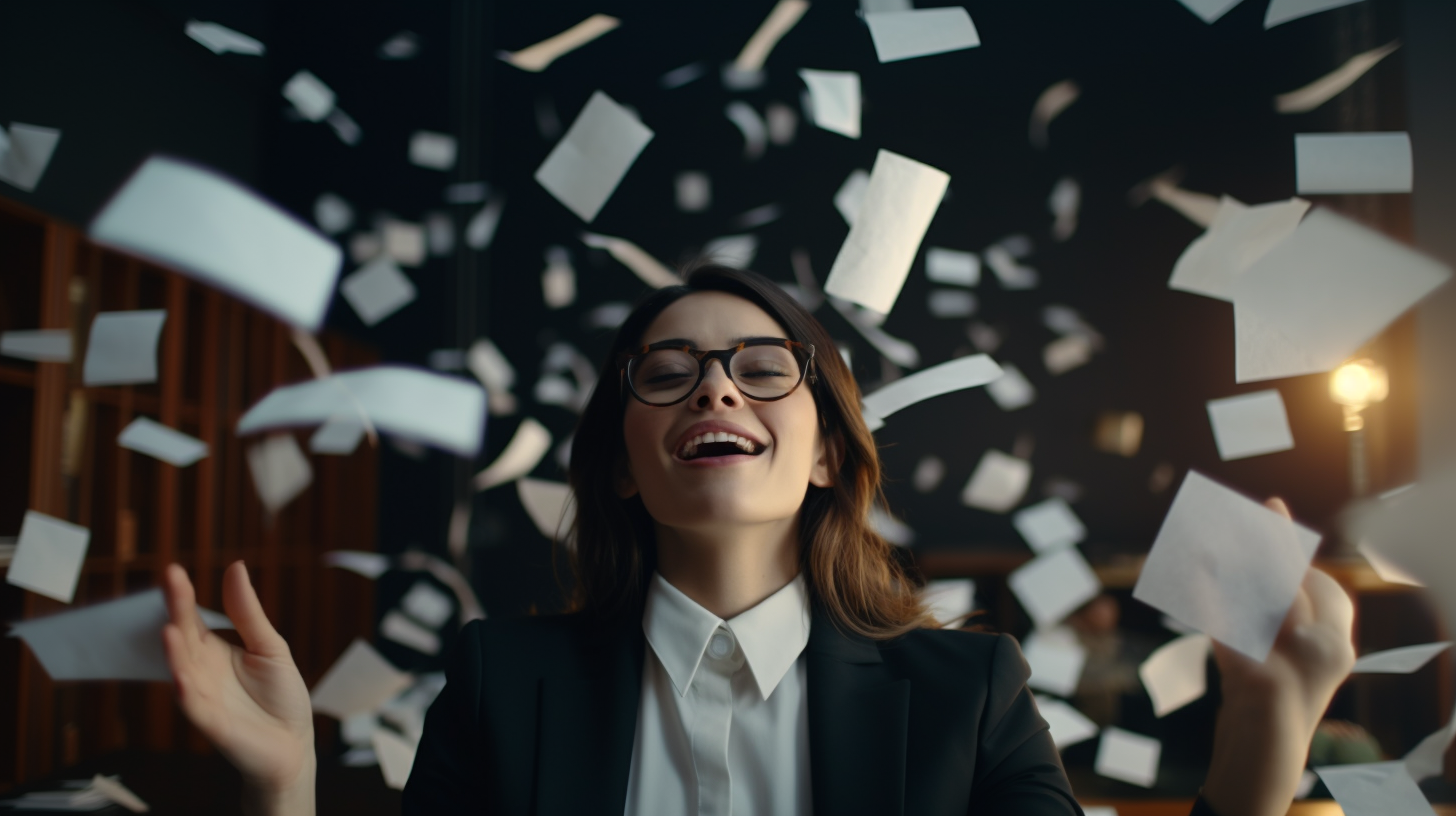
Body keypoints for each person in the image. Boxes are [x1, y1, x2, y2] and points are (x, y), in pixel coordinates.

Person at [161, 264, 1356, 815]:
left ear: (827, 452)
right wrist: (283, 793)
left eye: (762, 370)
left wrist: (1269, 722)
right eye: (669, 373)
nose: (716, 393)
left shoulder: (966, 691)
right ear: (625, 466)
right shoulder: (498, 680)